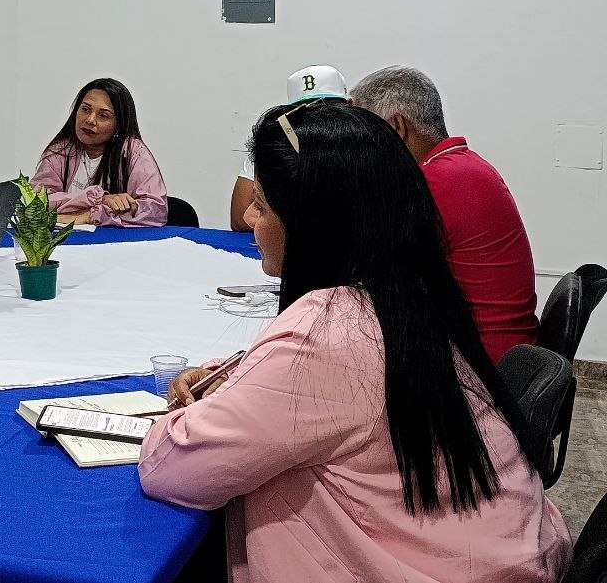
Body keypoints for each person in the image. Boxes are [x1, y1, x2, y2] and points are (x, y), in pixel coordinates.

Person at [138, 102, 570, 583]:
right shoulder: (410, 292)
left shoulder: (324, 337)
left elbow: (173, 468)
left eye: (262, 203)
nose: (249, 218)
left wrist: (181, 412)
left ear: (310, 222)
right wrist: (238, 376)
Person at [350, 65, 538, 363]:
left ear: (397, 127)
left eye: (364, 135)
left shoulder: (438, 181)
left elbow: (363, 264)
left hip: (478, 365)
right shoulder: (463, 167)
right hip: (497, 353)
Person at [31, 78, 166, 227]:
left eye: (103, 115)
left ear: (118, 125)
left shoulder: (133, 152)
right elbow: (36, 200)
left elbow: (156, 210)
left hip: (116, 244)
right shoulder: (60, 151)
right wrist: (99, 199)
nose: (90, 120)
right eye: (85, 109)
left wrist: (91, 215)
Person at [229, 65, 346, 231]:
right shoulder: (275, 147)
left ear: (349, 106)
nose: (317, 120)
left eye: (327, 108)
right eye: (304, 111)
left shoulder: (368, 148)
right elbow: (241, 219)